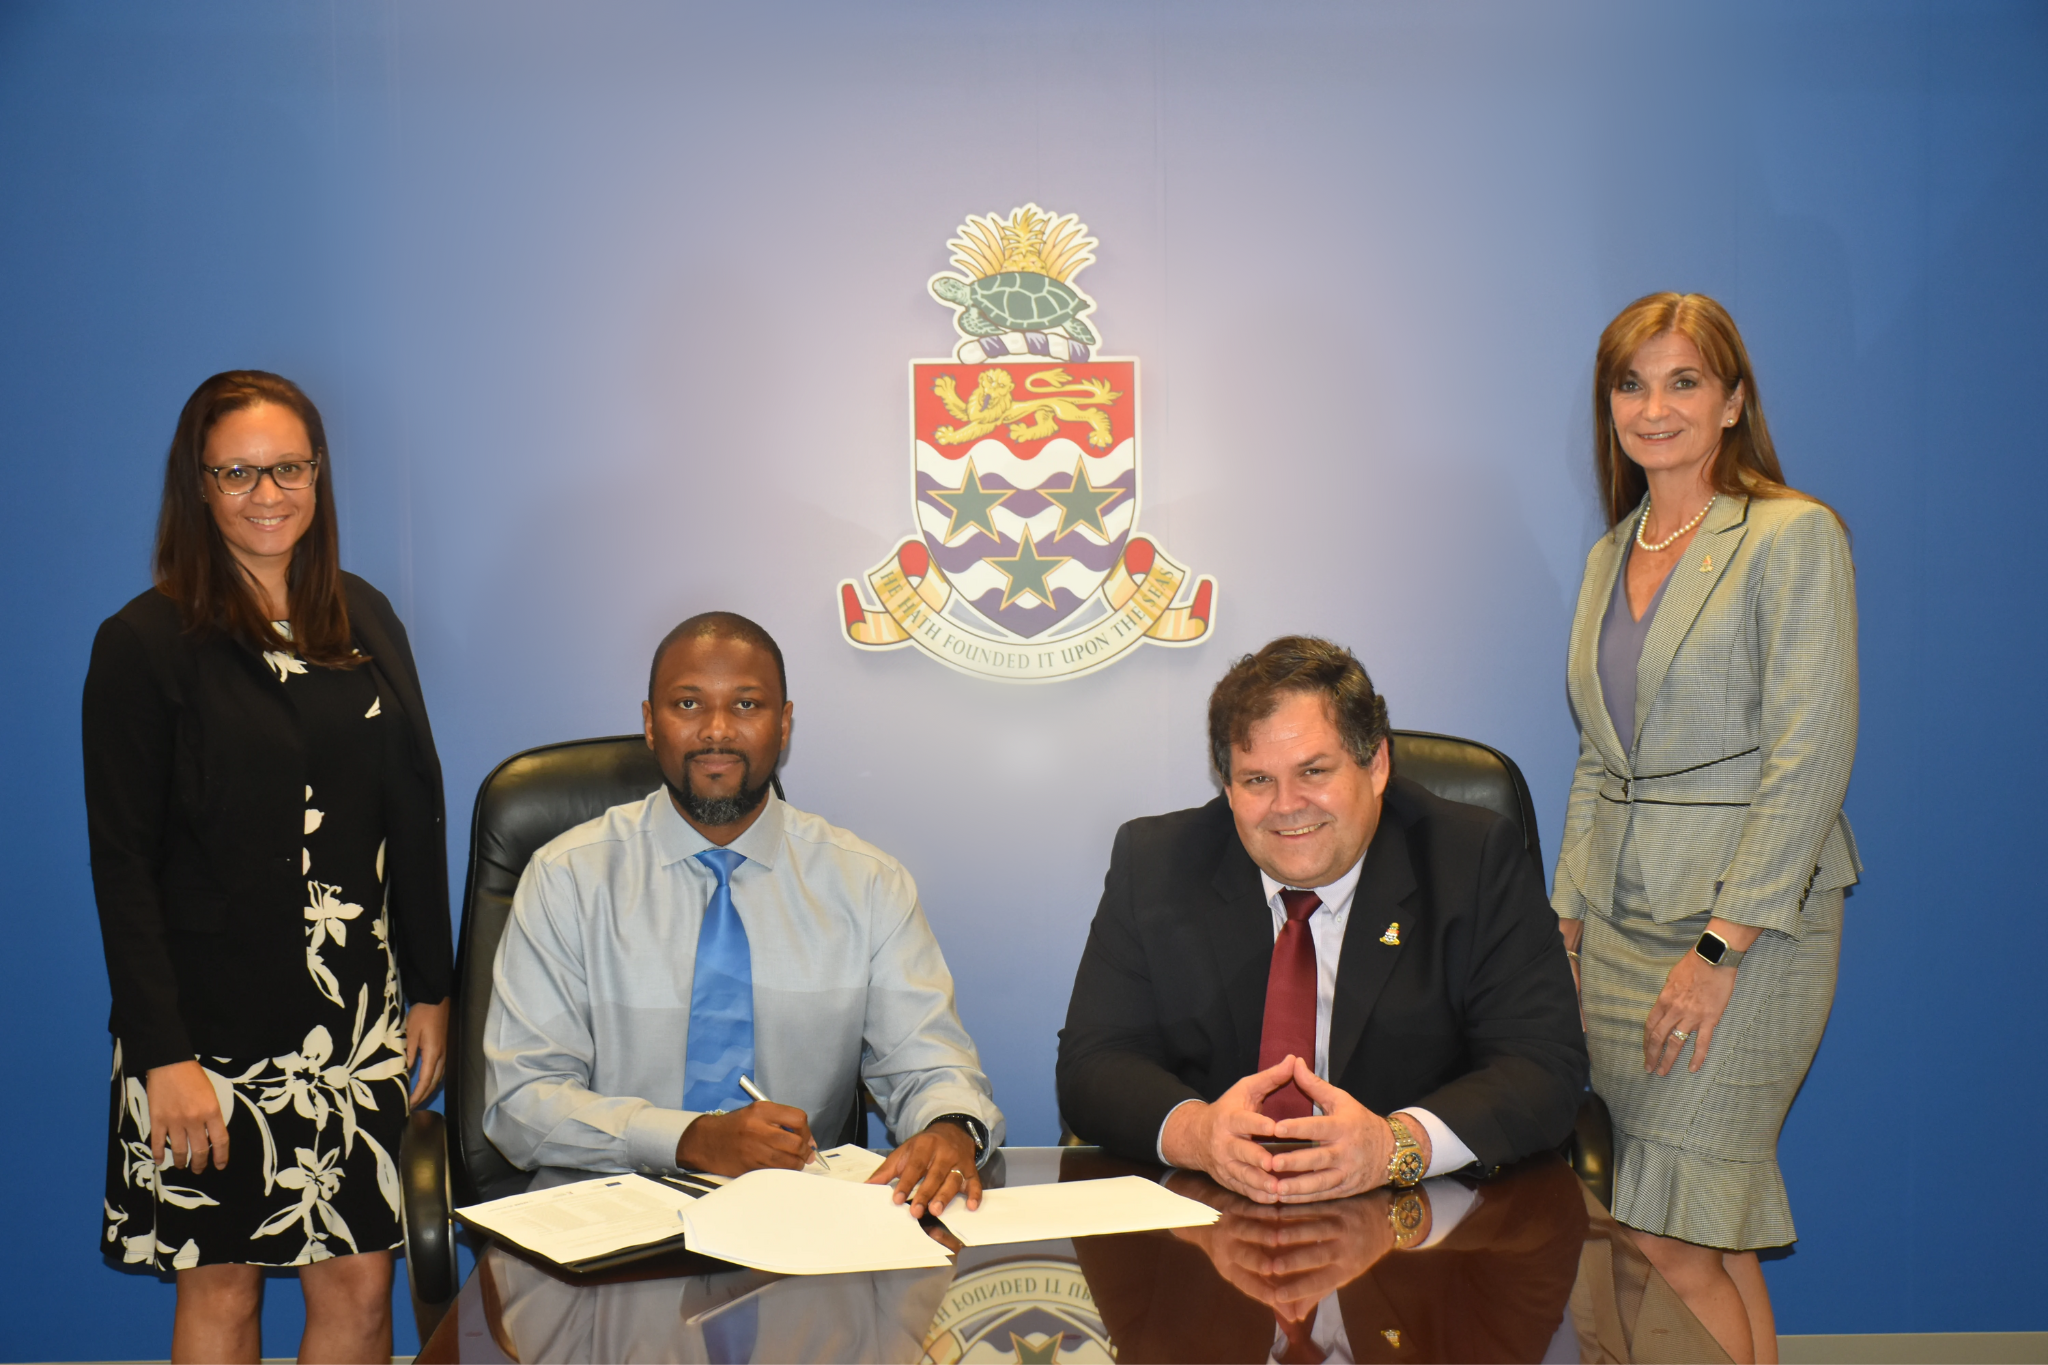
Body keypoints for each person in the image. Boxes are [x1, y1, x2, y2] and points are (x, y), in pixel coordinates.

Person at [84, 371, 453, 1364]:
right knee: (223, 1286)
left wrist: (430, 986)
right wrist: (164, 1058)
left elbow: (410, 811)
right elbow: (122, 866)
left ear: (318, 474)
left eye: (287, 467)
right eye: (237, 472)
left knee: (364, 1292)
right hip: (207, 1041)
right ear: (197, 487)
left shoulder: (364, 618)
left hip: (356, 1023)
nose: (266, 493)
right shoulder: (144, 644)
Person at [1553, 292, 1859, 1365]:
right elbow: (1600, 759)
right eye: (1629, 384)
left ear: (1731, 401)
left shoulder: (1789, 534)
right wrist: (1567, 923)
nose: (1653, 407)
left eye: (1682, 380)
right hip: (1624, 927)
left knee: (1665, 1232)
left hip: (1743, 932)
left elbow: (1807, 755)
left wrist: (1721, 946)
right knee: (1703, 1236)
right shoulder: (1610, 553)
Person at [484, 612, 1003, 1217]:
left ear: (784, 725)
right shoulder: (566, 878)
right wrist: (691, 1140)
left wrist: (949, 1128)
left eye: (748, 705)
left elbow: (930, 1062)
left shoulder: (867, 884)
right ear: (650, 724)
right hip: (603, 1222)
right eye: (687, 704)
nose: (717, 731)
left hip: (798, 1231)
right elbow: (520, 1103)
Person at [1057, 636, 1586, 1204]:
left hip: (1415, 1222)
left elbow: (1543, 1065)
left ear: (1376, 764)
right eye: (1258, 779)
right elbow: (1094, 1061)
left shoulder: (1472, 860)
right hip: (1215, 1215)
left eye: (1313, 771)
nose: (1287, 805)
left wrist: (1394, 1146)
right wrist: (1199, 1134)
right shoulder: (1157, 862)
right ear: (1228, 786)